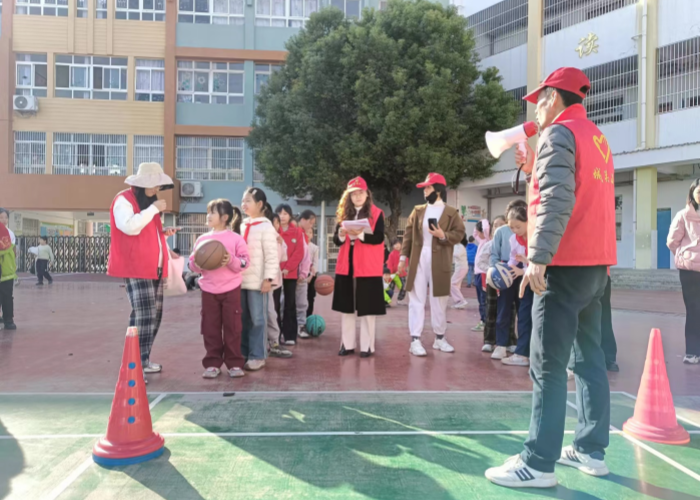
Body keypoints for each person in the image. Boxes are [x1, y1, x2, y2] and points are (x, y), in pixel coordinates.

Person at [486, 67, 617, 488]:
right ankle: (590, 449)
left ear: (553, 98)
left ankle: (538, 462)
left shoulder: (559, 134)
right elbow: (575, 194)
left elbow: (557, 199)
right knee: (589, 358)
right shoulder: (596, 138)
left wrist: (538, 259)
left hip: (563, 265)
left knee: (547, 365)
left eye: (538, 101)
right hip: (596, 267)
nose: (536, 110)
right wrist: (532, 166)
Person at [108, 163, 180, 380]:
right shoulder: (124, 200)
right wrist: (154, 209)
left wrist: (163, 235)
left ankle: (142, 360)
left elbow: (144, 231)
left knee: (153, 315)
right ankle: (134, 364)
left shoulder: (147, 205)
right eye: (154, 184)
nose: (157, 189)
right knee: (144, 314)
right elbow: (129, 227)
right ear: (142, 184)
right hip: (136, 266)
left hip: (153, 267)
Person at [398, 173, 466, 356]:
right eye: (425, 188)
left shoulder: (451, 212)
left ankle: (440, 338)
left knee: (440, 299)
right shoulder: (417, 210)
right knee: (416, 299)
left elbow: (459, 234)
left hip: (440, 258)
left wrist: (443, 235)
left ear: (438, 190)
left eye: (428, 187)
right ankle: (415, 339)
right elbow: (408, 236)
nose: (425, 191)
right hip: (418, 257)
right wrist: (403, 258)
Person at [189, 199, 249, 379]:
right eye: (208, 212)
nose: (208, 216)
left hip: (231, 289)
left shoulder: (236, 239)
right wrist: (198, 264)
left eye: (212, 212)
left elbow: (245, 262)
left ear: (224, 217)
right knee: (210, 327)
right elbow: (192, 264)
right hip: (208, 290)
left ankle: (234, 363)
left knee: (233, 327)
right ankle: (212, 363)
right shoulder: (202, 240)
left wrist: (230, 260)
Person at [333, 177, 386, 357]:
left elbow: (379, 237)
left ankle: (367, 346)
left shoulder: (377, 213)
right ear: (348, 196)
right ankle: (347, 344)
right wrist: (342, 234)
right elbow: (336, 240)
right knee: (346, 307)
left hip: (368, 265)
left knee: (367, 308)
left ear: (367, 194)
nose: (357, 197)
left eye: (360, 193)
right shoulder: (343, 214)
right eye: (353, 194)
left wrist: (361, 234)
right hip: (346, 264)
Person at [238, 187, 281, 370]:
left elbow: (271, 256)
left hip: (258, 283)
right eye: (243, 200)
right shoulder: (242, 225)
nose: (244, 204)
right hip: (241, 281)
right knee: (243, 319)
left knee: (258, 318)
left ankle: (258, 355)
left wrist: (268, 279)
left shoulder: (266, 227)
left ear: (260, 204)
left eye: (248, 201)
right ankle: (244, 353)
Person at [667, 178, 700, 365]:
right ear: (692, 194)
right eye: (699, 192)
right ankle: (692, 352)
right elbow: (672, 241)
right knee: (694, 310)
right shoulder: (683, 216)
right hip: (690, 272)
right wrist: (684, 256)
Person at [501, 203, 533, 367]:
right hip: (526, 282)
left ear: (528, 222)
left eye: (518, 227)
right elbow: (513, 259)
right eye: (511, 227)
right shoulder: (514, 239)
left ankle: (537, 355)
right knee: (524, 316)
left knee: (540, 318)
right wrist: (507, 271)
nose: (515, 231)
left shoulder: (536, 237)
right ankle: (522, 354)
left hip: (540, 280)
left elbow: (542, 263)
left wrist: (524, 269)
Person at [489, 203, 517, 361]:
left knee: (524, 311)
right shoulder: (501, 232)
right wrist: (497, 271)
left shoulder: (529, 228)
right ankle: (501, 344)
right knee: (503, 309)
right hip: (504, 270)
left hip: (523, 269)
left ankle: (521, 346)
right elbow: (494, 255)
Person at [273, 204, 304, 346]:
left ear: (290, 215)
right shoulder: (273, 232)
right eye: (280, 213)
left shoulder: (297, 232)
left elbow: (299, 252)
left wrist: (288, 268)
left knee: (290, 304)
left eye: (285, 213)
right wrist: (278, 268)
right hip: (275, 273)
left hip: (290, 274)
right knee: (274, 305)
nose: (282, 216)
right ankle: (275, 336)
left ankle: (290, 335)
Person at [266, 214, 293, 358]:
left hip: (272, 282)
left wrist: (282, 244)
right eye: (274, 222)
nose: (276, 226)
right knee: (267, 313)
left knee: (271, 312)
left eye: (277, 223)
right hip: (262, 281)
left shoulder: (278, 239)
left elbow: (283, 257)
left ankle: (274, 342)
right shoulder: (263, 236)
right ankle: (270, 342)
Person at [471, 219, 490, 333]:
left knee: (484, 299)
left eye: (479, 232)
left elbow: (486, 229)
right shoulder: (481, 240)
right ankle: (483, 320)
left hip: (484, 274)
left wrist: (484, 221)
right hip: (478, 274)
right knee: (480, 299)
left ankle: (485, 321)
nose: (477, 234)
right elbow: (474, 234)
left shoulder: (488, 240)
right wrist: (479, 222)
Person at [0, 208, 17, 330]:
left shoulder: (10, 234)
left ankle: (8, 319)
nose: (4, 220)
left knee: (7, 295)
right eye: (1, 217)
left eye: (6, 217)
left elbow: (13, 252)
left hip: (6, 270)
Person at [449, 235, 469, 309]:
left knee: (452, 283)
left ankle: (461, 300)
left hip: (461, 268)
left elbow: (457, 254)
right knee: (456, 285)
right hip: (460, 267)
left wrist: (450, 248)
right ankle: (459, 302)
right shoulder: (457, 245)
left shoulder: (460, 246)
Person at [385, 239, 407, 303]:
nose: (397, 245)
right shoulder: (391, 254)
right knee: (390, 287)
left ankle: (400, 299)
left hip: (402, 273)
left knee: (403, 286)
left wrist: (402, 270)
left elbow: (406, 263)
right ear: (392, 246)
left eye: (398, 243)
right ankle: (387, 300)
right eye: (395, 244)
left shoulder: (404, 253)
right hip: (393, 274)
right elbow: (389, 264)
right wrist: (390, 273)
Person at [304, 226, 319, 317]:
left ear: (313, 235)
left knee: (310, 297)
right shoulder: (300, 245)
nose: (308, 234)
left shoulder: (315, 248)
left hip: (311, 276)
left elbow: (315, 263)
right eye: (307, 232)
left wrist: (311, 276)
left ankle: (308, 317)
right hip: (301, 275)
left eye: (310, 233)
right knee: (301, 298)